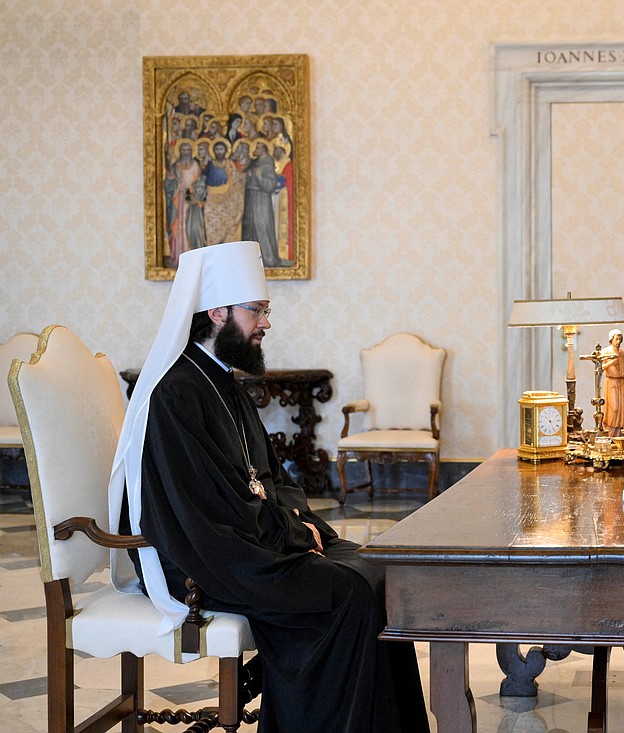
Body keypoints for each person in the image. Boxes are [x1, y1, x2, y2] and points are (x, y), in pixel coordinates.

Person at [107, 241, 429, 733]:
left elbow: (272, 478)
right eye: (257, 310)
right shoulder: (175, 393)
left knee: (381, 573)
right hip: (202, 560)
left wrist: (301, 524)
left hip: (246, 543)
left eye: (266, 310)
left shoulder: (223, 382)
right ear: (217, 312)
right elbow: (206, 511)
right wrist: (295, 536)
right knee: (349, 595)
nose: (266, 323)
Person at [600, 328, 624, 436]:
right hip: (612, 382)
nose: (618, 342)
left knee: (623, 408)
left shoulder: (623, 353)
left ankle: (620, 434)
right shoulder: (605, 352)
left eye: (620, 339)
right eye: (616, 339)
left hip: (622, 382)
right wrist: (611, 363)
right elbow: (600, 367)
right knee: (614, 408)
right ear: (611, 339)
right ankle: (609, 433)